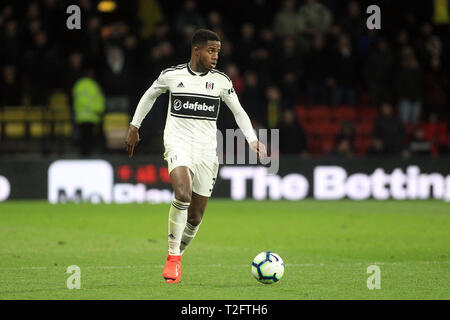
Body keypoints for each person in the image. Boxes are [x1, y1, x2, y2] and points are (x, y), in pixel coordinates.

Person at [125, 29, 267, 284]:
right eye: (211, 51)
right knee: (182, 194)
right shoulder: (172, 75)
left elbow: (239, 112)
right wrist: (135, 126)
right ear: (197, 50)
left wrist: (253, 140)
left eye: (218, 52)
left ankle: (178, 252)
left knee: (195, 216)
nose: (215, 57)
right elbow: (149, 95)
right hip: (178, 143)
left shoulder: (222, 81)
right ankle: (173, 258)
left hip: (206, 151)